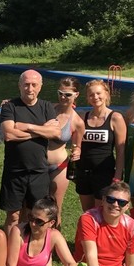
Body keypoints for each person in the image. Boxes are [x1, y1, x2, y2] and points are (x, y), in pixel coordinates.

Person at [0, 69, 60, 234]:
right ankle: (11, 245)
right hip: (14, 171)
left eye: (34, 85)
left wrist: (26, 126)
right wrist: (42, 130)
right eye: (26, 84)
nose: (30, 89)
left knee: (37, 214)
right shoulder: (10, 106)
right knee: (13, 215)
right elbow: (9, 134)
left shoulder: (46, 107)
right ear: (19, 85)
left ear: (40, 86)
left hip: (39, 171)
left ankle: (30, 244)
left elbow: (55, 132)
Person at [76, 80, 126, 211]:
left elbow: (121, 149)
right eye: (91, 94)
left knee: (102, 213)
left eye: (98, 93)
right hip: (83, 173)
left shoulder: (115, 118)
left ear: (106, 94)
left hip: (104, 174)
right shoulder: (83, 117)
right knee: (87, 213)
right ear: (87, 98)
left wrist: (118, 175)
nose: (95, 97)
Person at [47, 77, 84, 226]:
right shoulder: (49, 109)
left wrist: (77, 152)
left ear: (76, 95)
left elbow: (77, 146)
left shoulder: (77, 122)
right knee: (33, 204)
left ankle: (55, 237)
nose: (63, 97)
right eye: (60, 93)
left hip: (59, 167)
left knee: (55, 207)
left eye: (67, 95)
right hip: (38, 163)